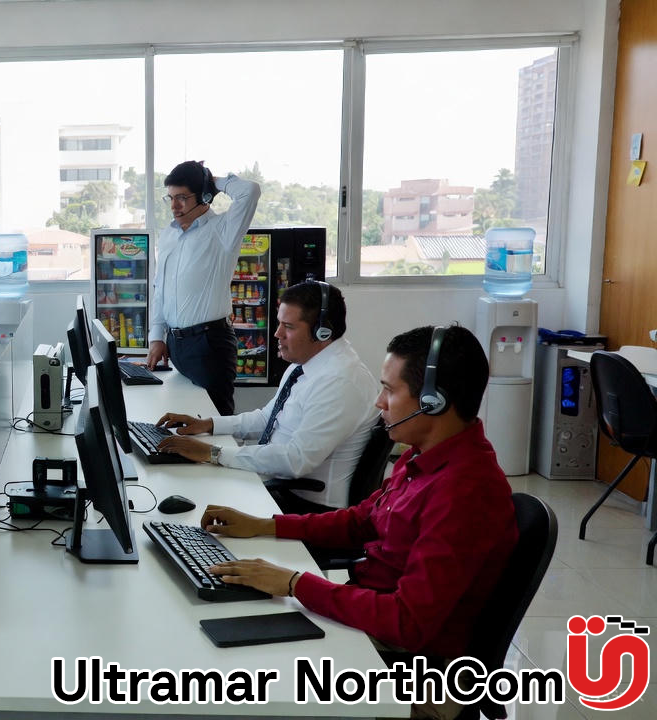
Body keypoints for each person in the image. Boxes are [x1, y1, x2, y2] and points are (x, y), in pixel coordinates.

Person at [198, 325, 517, 719]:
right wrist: (266, 525)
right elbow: (361, 521)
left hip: (406, 668)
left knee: (237, 684)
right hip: (372, 628)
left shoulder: (467, 492)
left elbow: (407, 622)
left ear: (433, 402)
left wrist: (295, 583)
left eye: (390, 390)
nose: (379, 402)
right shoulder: (423, 455)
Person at [155, 281, 379, 511]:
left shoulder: (341, 382)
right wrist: (208, 425)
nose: (277, 333)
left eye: (288, 327)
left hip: (305, 507)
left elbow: (295, 461)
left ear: (322, 332)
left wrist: (212, 453)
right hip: (278, 485)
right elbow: (267, 418)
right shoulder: (308, 364)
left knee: (198, 496)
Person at [146, 161, 260, 415]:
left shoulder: (222, 229)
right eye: (171, 198)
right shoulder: (169, 235)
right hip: (176, 346)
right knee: (184, 418)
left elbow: (250, 191)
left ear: (205, 196)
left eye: (183, 198)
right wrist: (156, 336)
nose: (174, 206)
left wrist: (212, 180)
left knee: (215, 429)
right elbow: (160, 288)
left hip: (210, 346)